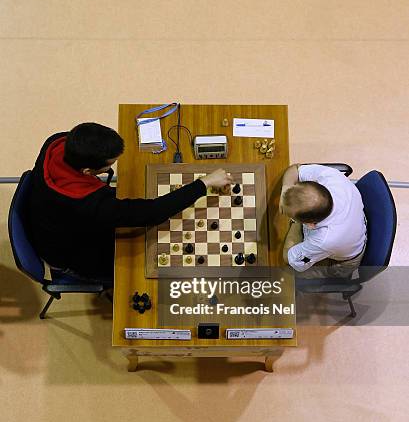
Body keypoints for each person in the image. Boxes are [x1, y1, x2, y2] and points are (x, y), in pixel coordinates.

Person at [27, 122, 232, 283]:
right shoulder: (89, 205)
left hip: (56, 218)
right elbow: (152, 213)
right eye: (110, 164)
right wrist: (205, 183)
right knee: (139, 271)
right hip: (70, 255)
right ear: (87, 172)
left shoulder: (57, 142)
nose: (113, 165)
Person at [280, 164, 366, 278]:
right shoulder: (331, 177)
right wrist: (285, 188)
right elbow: (294, 169)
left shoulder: (324, 240)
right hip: (352, 227)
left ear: (310, 224)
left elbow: (290, 258)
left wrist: (295, 223)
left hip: (343, 262)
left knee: (284, 273)